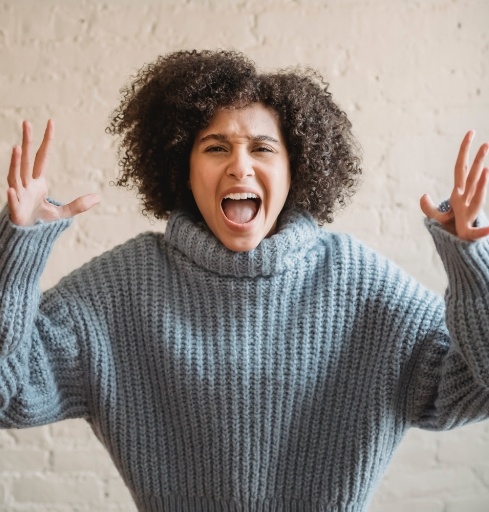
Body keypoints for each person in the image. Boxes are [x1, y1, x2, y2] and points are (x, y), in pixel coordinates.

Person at [1, 49, 489, 512]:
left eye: (262, 148)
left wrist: (471, 262)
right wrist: (17, 251)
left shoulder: (359, 283)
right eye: (215, 148)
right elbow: (11, 394)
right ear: (183, 169)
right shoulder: (120, 289)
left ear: (294, 170)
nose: (239, 165)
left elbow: (475, 388)